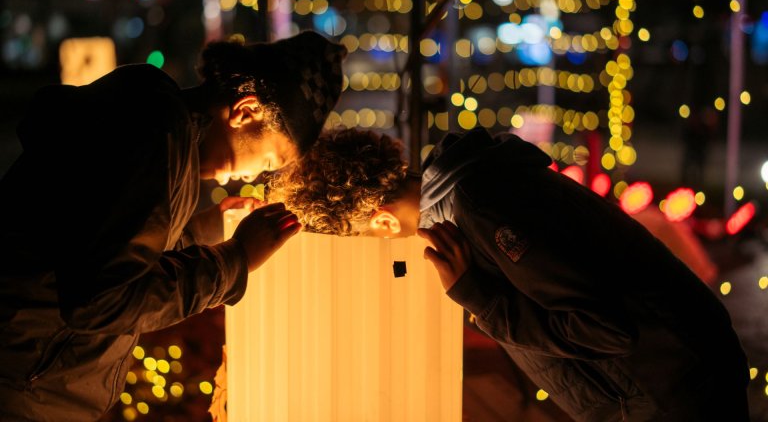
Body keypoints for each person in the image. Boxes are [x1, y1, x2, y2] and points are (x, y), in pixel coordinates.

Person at [267, 127, 750, 422]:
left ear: (385, 220)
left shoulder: (482, 207)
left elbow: (604, 328)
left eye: (372, 239)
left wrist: (481, 300)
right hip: (662, 386)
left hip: (671, 392)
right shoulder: (469, 197)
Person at [0, 30, 346, 421]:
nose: (249, 174)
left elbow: (113, 249)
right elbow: (101, 300)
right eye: (267, 162)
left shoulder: (156, 129)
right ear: (245, 112)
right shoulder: (155, 135)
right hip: (20, 390)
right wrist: (235, 260)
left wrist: (205, 230)